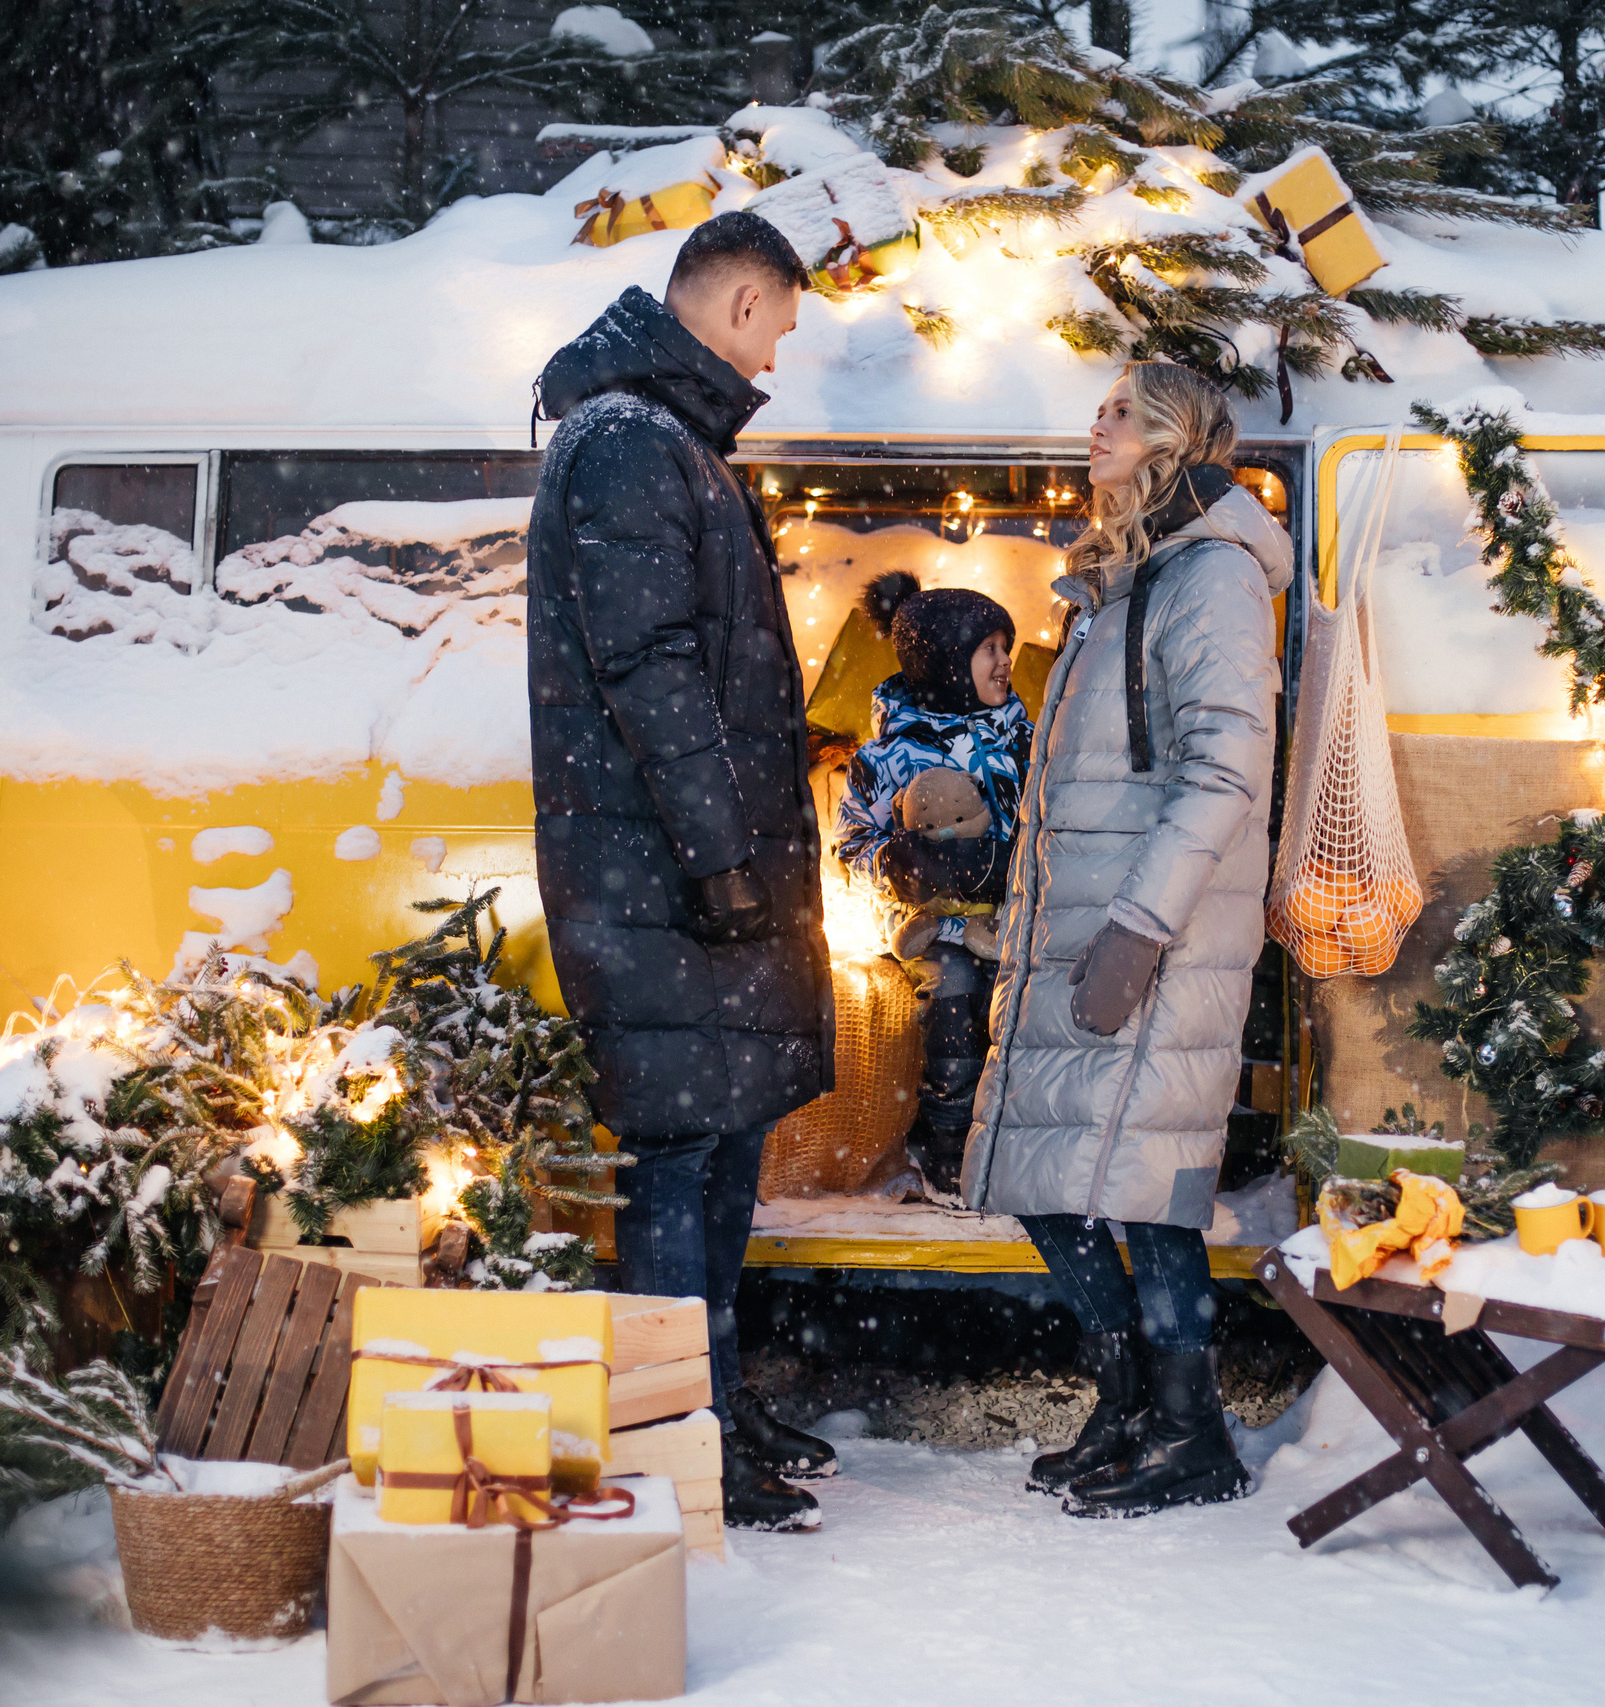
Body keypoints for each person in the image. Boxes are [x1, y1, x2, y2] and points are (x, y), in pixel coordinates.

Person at [525, 212, 839, 1533]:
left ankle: (707, 1394)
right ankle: (674, 1428)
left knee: (721, 1141)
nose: (778, 357)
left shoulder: (666, 442)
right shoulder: (629, 445)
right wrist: (719, 855)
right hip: (660, 874)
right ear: (742, 302)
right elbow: (646, 668)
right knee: (680, 1153)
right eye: (779, 326)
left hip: (692, 871)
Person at [963, 361, 1293, 1518]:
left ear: (1171, 439)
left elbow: (1223, 767)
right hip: (1087, 920)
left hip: (1159, 928)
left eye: (1118, 412)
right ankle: (1132, 1401)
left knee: (1147, 1192)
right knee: (1047, 1176)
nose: (1092, 428)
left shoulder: (1208, 576)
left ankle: (1191, 1429)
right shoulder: (1122, 583)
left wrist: (1141, 927)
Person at [832, 573, 1033, 1202]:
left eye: (1007, 647)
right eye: (989, 649)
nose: (1005, 662)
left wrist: (1010, 863)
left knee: (1019, 1017)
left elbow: (1049, 819)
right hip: (935, 927)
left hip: (1010, 918)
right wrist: (894, 862)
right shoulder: (886, 756)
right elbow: (849, 845)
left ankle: (1012, 1148)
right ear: (946, 660)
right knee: (955, 1000)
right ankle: (946, 1144)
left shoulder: (1023, 739)